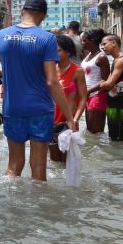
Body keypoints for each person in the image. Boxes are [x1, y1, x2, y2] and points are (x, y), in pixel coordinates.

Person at [0, 0, 77, 181]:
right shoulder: (47, 39)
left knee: (14, 166)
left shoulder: (2, 35)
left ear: (22, 11)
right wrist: (70, 118)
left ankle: (10, 203)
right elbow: (52, 82)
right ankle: (37, 209)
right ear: (44, 16)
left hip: (12, 108)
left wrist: (2, 71)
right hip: (40, 109)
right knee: (38, 167)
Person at [49, 34, 87, 163]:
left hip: (68, 121)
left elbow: (83, 98)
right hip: (51, 120)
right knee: (54, 160)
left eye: (58, 50)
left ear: (68, 51)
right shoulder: (50, 71)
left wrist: (75, 119)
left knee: (67, 161)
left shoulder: (77, 71)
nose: (54, 53)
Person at [98, 35, 123, 142]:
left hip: (120, 105)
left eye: (104, 44)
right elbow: (108, 82)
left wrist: (101, 84)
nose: (103, 47)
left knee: (119, 139)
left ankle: (120, 158)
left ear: (114, 43)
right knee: (113, 137)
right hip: (114, 103)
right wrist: (104, 83)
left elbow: (108, 84)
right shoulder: (116, 60)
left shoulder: (122, 61)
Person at [81, 29, 110, 134]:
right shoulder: (88, 55)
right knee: (89, 130)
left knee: (96, 132)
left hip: (97, 96)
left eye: (84, 40)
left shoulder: (101, 57)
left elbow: (105, 80)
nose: (82, 43)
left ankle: (99, 150)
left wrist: (89, 91)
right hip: (88, 95)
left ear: (92, 41)